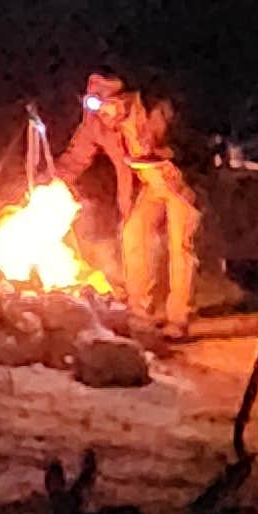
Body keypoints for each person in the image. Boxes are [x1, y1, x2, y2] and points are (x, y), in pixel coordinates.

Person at [54, 68, 202, 338]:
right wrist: (52, 181)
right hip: (148, 183)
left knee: (180, 244)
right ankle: (139, 313)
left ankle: (179, 318)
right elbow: (77, 156)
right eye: (97, 106)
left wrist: (172, 158)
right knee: (134, 234)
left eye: (109, 105)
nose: (104, 113)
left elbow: (188, 145)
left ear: (124, 99)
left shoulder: (154, 111)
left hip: (178, 179)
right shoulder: (96, 122)